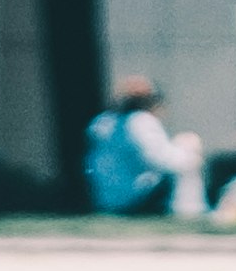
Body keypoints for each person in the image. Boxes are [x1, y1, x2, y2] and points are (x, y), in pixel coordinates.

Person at [83, 77, 200, 220]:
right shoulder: (140, 121)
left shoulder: (101, 122)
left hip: (105, 199)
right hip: (133, 199)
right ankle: (190, 212)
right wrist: (192, 155)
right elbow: (160, 160)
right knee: (187, 148)